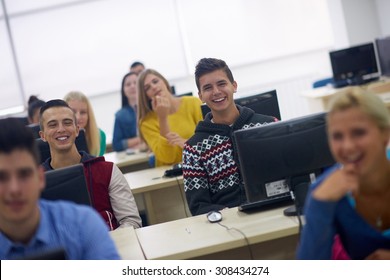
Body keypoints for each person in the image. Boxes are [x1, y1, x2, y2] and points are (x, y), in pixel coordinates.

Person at [0, 118, 120, 260]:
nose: (14, 189)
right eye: (2, 177)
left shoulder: (83, 226)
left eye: (24, 174)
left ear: (40, 178)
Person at [297, 88, 390, 260]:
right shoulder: (325, 190)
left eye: (359, 132)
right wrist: (320, 205)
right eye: (337, 136)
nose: (347, 146)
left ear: (385, 133)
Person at [182, 58, 278, 216]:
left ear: (234, 86)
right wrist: (227, 215)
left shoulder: (269, 125)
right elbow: (198, 206)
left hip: (273, 211)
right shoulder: (193, 148)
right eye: (208, 88)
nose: (216, 92)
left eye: (221, 84)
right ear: (200, 96)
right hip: (229, 224)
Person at [39, 99, 142, 230]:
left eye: (67, 123)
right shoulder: (35, 182)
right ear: (42, 136)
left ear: (77, 130)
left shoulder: (107, 171)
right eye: (53, 125)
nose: (61, 129)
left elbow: (131, 221)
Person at [137, 69, 203, 166]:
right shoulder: (146, 122)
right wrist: (162, 118)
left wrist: (187, 144)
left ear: (164, 81)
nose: (154, 87)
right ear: (145, 95)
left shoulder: (193, 103)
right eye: (147, 88)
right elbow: (169, 157)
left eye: (155, 81)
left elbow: (209, 140)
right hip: (171, 173)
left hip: (199, 165)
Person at [64, 91, 106, 156]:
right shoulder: (58, 138)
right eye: (73, 112)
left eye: (83, 112)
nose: (78, 117)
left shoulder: (100, 136)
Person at [112, 72, 144, 152]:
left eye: (135, 83)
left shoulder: (152, 108)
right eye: (128, 84)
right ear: (123, 90)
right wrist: (141, 139)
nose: (132, 86)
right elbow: (117, 145)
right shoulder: (120, 115)